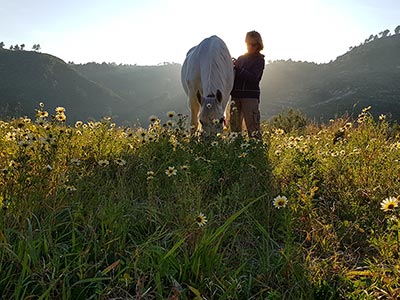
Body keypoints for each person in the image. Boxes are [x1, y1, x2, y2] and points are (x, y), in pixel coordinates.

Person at [230, 30, 265, 139]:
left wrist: (238, 68)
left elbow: (254, 78)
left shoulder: (260, 60)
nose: (250, 47)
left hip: (250, 97)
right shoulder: (241, 58)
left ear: (258, 45)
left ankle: (256, 153)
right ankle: (236, 151)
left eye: (253, 44)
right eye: (248, 44)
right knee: (234, 128)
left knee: (253, 129)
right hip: (235, 96)